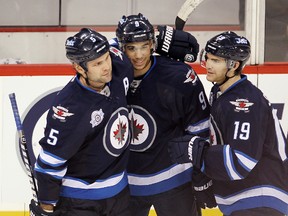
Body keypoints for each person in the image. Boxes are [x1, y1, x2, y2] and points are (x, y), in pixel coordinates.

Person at [168, 31, 288, 216]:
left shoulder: (244, 103)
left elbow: (240, 161)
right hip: (247, 200)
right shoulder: (223, 94)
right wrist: (205, 177)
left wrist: (198, 151)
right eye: (207, 58)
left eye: (215, 60)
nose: (208, 64)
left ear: (234, 65)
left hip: (261, 200)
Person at [114, 13, 213, 216]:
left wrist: (202, 176)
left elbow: (200, 130)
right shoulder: (110, 76)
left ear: (153, 44)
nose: (139, 55)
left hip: (175, 182)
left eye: (144, 46)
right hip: (126, 185)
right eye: (131, 48)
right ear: (121, 47)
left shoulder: (177, 76)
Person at [30, 28, 134, 216]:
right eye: (97, 64)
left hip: (120, 196)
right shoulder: (69, 109)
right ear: (79, 68)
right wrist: (46, 207)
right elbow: (50, 162)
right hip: (80, 203)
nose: (106, 67)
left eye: (106, 58)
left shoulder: (119, 67)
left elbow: (117, 43)